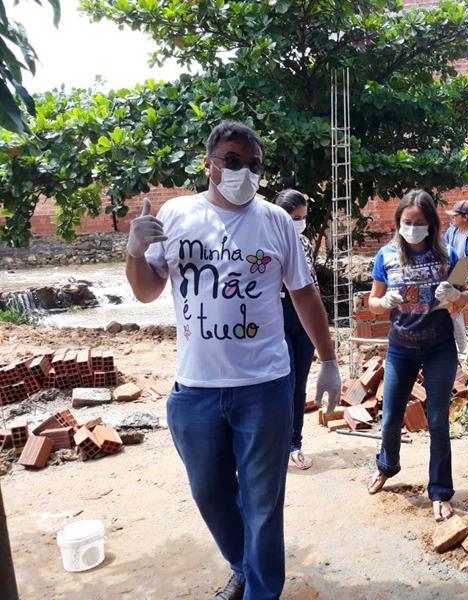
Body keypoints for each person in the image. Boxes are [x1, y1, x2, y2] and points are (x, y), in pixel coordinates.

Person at [125, 120, 341, 600]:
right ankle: (243, 565)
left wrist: (328, 360)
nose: (246, 171)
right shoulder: (177, 215)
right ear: (209, 165)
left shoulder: (276, 221)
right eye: (234, 161)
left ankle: (262, 590)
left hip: (263, 387)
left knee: (264, 502)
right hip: (195, 390)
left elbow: (303, 295)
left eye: (254, 164)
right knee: (210, 493)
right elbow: (145, 291)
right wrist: (135, 251)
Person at [365, 189, 468, 522]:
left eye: (420, 223)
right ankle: (387, 466)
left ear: (432, 224)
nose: (412, 228)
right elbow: (372, 300)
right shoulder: (386, 256)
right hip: (401, 347)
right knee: (392, 414)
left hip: (439, 346)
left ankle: (440, 490)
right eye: (406, 222)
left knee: (438, 419)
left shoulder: (448, 256)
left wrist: (455, 293)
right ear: (398, 222)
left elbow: (465, 298)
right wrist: (383, 303)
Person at [274, 189, 318, 470]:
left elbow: (310, 288)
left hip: (302, 319)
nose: (299, 223)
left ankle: (295, 444)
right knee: (282, 384)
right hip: (276, 316)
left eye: (302, 218)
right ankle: (275, 446)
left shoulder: (304, 243)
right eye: (294, 217)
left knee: (299, 385)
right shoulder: (265, 244)